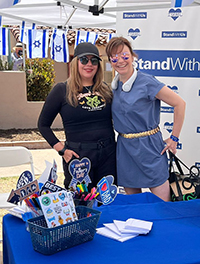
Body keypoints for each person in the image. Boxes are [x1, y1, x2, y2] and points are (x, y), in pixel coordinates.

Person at [106, 36, 186, 202]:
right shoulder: (114, 87)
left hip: (149, 148)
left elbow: (179, 104)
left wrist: (174, 138)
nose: (120, 61)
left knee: (163, 206)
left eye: (124, 55)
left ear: (133, 56)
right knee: (135, 207)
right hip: (125, 149)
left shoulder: (147, 82)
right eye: (114, 57)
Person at [38, 42, 116, 189]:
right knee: (81, 204)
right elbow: (43, 125)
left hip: (108, 154)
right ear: (75, 63)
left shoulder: (106, 89)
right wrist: (62, 150)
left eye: (94, 61)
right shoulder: (62, 90)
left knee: (108, 203)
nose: (89, 64)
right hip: (79, 157)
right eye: (84, 60)